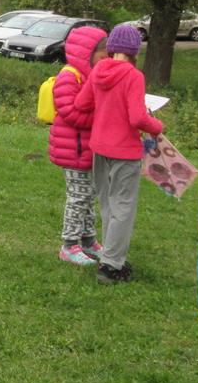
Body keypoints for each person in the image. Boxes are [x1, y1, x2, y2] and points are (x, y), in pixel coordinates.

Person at [73, 23, 162, 284]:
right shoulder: (134, 76)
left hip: (100, 147)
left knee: (107, 203)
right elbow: (137, 118)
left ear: (111, 48)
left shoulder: (99, 70)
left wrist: (106, 106)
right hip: (125, 149)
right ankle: (111, 266)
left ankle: (110, 255)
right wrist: (157, 126)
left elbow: (81, 103)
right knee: (123, 206)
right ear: (135, 51)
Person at [49, 28, 108, 266]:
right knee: (78, 197)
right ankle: (69, 245)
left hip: (87, 149)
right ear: (87, 53)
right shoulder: (69, 76)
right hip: (74, 150)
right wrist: (101, 117)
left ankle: (88, 240)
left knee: (88, 196)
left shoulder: (90, 76)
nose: (106, 60)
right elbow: (70, 112)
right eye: (103, 55)